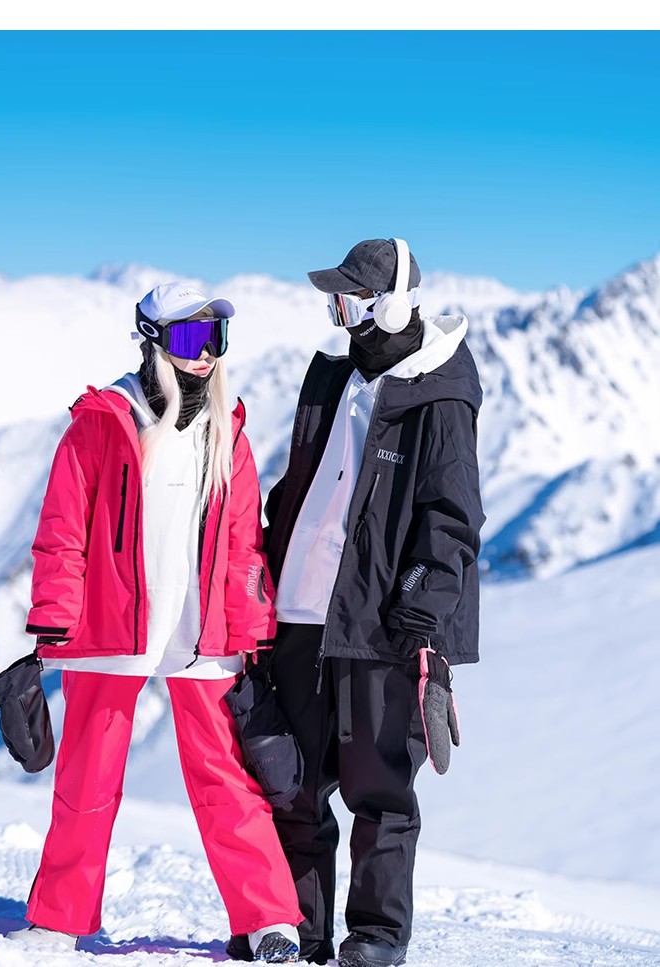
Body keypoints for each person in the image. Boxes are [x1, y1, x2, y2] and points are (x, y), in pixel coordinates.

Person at [7, 281, 303, 962]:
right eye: (191, 338)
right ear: (152, 341)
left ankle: (269, 920)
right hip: (110, 629)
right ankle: (58, 918)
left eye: (215, 338)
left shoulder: (227, 430)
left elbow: (243, 545)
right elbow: (62, 529)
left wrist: (250, 628)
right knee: (87, 777)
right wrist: (56, 618)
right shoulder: (103, 421)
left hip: (201, 632)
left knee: (226, 776)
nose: (206, 354)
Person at [261, 238, 485, 967]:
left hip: (379, 625)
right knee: (292, 786)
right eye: (335, 302)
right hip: (300, 612)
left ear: (393, 304)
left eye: (351, 301)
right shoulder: (332, 377)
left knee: (379, 790)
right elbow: (302, 485)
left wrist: (419, 616)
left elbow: (452, 519)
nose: (340, 314)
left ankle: (377, 936)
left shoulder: (439, 393)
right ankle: (300, 931)